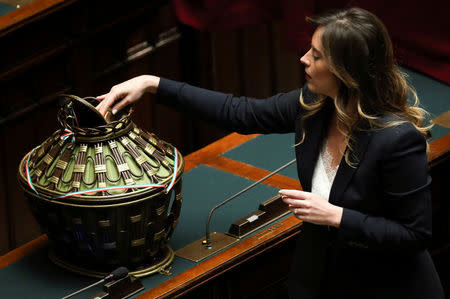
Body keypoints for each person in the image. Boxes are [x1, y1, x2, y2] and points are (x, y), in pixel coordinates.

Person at [96, 7, 444, 299]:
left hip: (387, 288)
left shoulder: (398, 139)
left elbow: (414, 235)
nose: (304, 58)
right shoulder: (312, 105)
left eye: (317, 55)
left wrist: (336, 216)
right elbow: (240, 112)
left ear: (345, 71)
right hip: (320, 278)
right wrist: (153, 84)